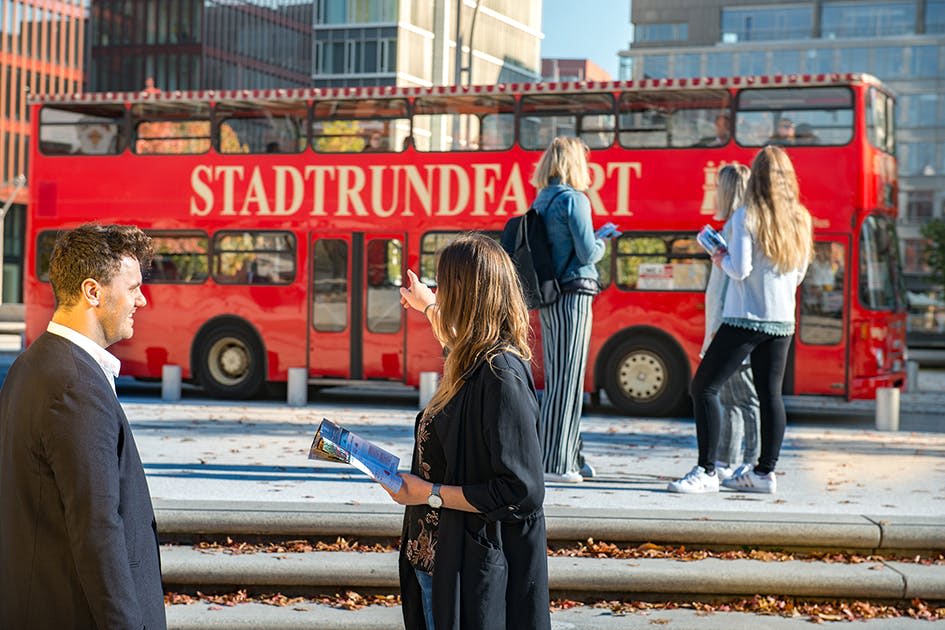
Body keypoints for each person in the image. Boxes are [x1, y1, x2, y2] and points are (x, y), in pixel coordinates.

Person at [0, 224, 166, 629]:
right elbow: (97, 531)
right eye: (133, 288)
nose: (142, 300)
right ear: (93, 292)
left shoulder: (35, 364)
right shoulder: (75, 386)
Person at [392, 234, 550, 630]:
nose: (440, 294)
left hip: (467, 568)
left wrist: (428, 494)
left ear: (466, 294)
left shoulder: (501, 376)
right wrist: (426, 305)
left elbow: (521, 491)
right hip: (436, 557)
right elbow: (454, 340)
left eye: (444, 286)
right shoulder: (472, 358)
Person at [669, 146, 812, 494]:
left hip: (744, 318)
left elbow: (739, 269)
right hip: (782, 321)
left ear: (757, 176)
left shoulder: (746, 216)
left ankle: (707, 471)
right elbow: (799, 274)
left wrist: (718, 253)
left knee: (704, 387)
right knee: (770, 396)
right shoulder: (800, 218)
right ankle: (764, 473)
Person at [531, 136, 612, 484]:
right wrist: (604, 240)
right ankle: (558, 463)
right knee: (568, 379)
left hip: (550, 296)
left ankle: (570, 455)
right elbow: (587, 252)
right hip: (574, 295)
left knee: (559, 376)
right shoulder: (575, 200)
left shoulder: (541, 199)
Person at [698, 163, 760, 483]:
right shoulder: (731, 229)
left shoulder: (737, 228)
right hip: (728, 323)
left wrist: (713, 332)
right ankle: (728, 460)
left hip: (732, 325)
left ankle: (747, 462)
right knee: (731, 396)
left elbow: (727, 287)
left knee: (741, 397)